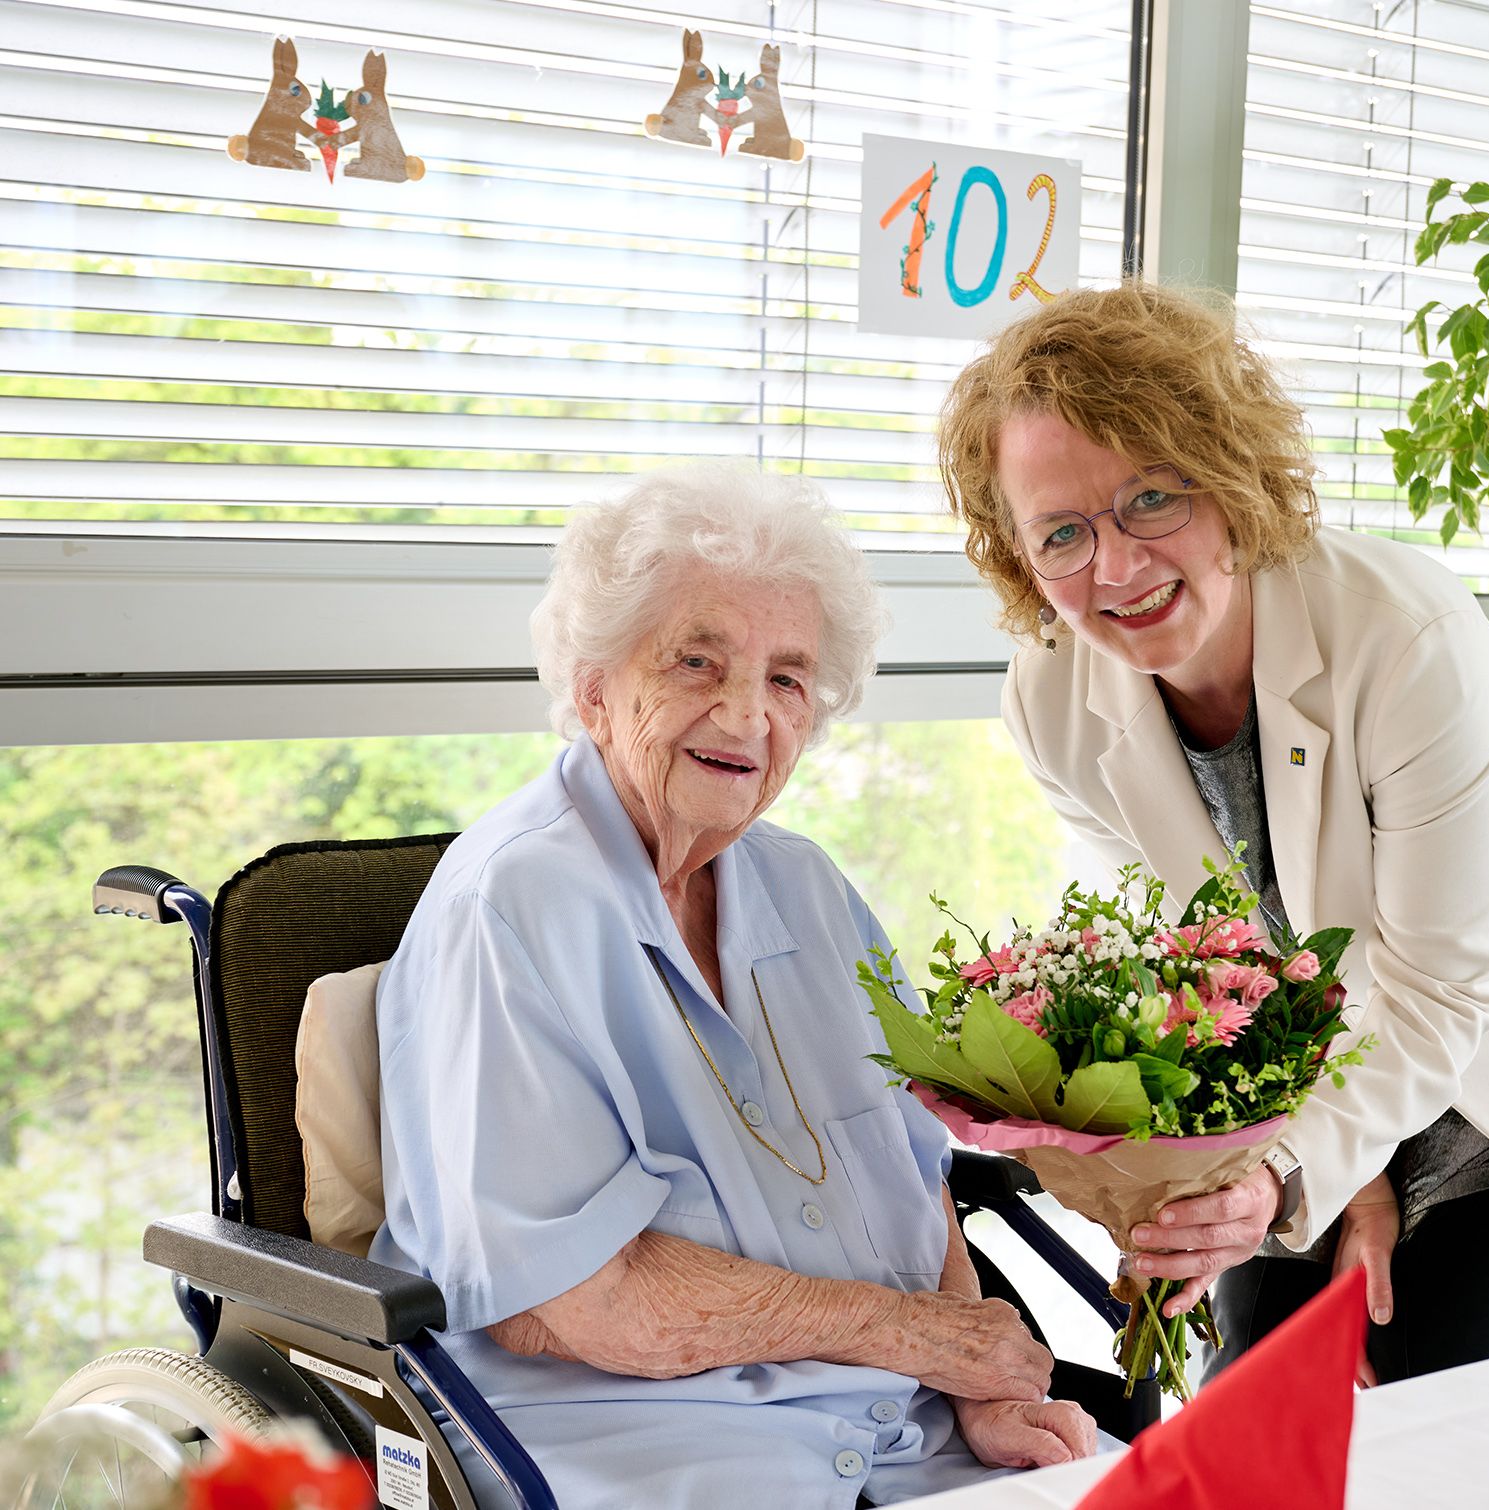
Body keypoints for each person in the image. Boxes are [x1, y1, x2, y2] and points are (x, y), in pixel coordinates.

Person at [938, 283, 1489, 1386]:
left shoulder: (1405, 640)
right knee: (1258, 1370)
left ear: (1228, 475)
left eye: (1150, 499)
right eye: (1060, 533)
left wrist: (1284, 1173)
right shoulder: (1052, 696)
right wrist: (1320, 1171)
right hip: (1326, 1013)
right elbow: (1194, 961)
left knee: (1408, 1362)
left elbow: (1439, 987)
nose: (1111, 569)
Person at [368, 466, 1099, 1507]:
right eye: (696, 662)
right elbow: (579, 1302)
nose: (746, 714)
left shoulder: (807, 887)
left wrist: (978, 1392)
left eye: (788, 679)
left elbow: (913, 1174)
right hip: (643, 1447)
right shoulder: (510, 909)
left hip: (903, 1430)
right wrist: (917, 1338)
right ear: (592, 687)